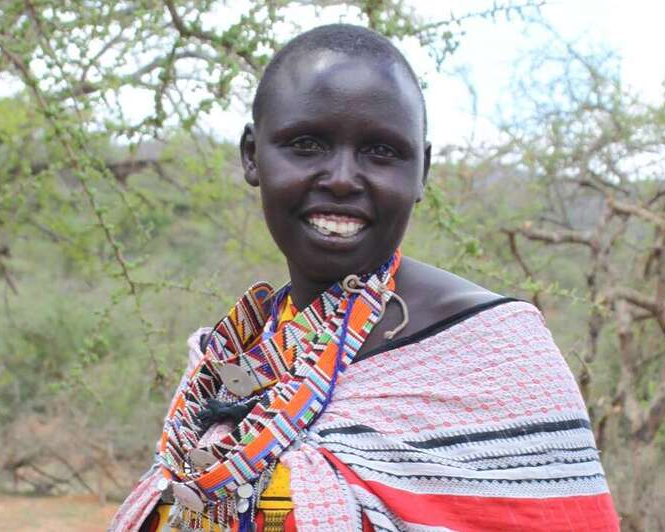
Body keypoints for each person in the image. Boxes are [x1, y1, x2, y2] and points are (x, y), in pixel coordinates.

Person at [110, 24, 620, 532]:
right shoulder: (229, 357)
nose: (341, 178)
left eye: (381, 152)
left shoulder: (496, 356)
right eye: (306, 144)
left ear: (421, 171)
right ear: (252, 155)